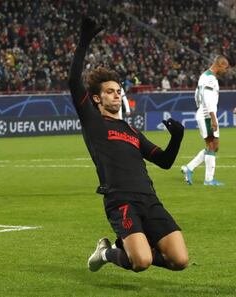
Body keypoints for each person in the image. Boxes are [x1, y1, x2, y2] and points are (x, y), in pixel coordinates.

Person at [68, 17, 188, 273]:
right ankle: (108, 253)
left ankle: (126, 245)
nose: (117, 94)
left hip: (149, 199)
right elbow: (73, 83)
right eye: (110, 91)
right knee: (141, 262)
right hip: (120, 199)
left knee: (180, 261)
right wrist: (84, 40)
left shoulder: (132, 130)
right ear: (97, 98)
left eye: (119, 90)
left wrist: (177, 138)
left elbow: (165, 162)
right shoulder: (93, 122)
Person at [181, 56, 229, 186]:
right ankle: (208, 180)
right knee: (212, 146)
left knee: (214, 146)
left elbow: (197, 94)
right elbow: (208, 99)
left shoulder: (204, 76)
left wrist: (199, 106)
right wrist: (213, 118)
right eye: (226, 67)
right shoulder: (211, 79)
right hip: (207, 115)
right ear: (219, 64)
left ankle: (189, 168)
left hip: (205, 113)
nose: (226, 71)